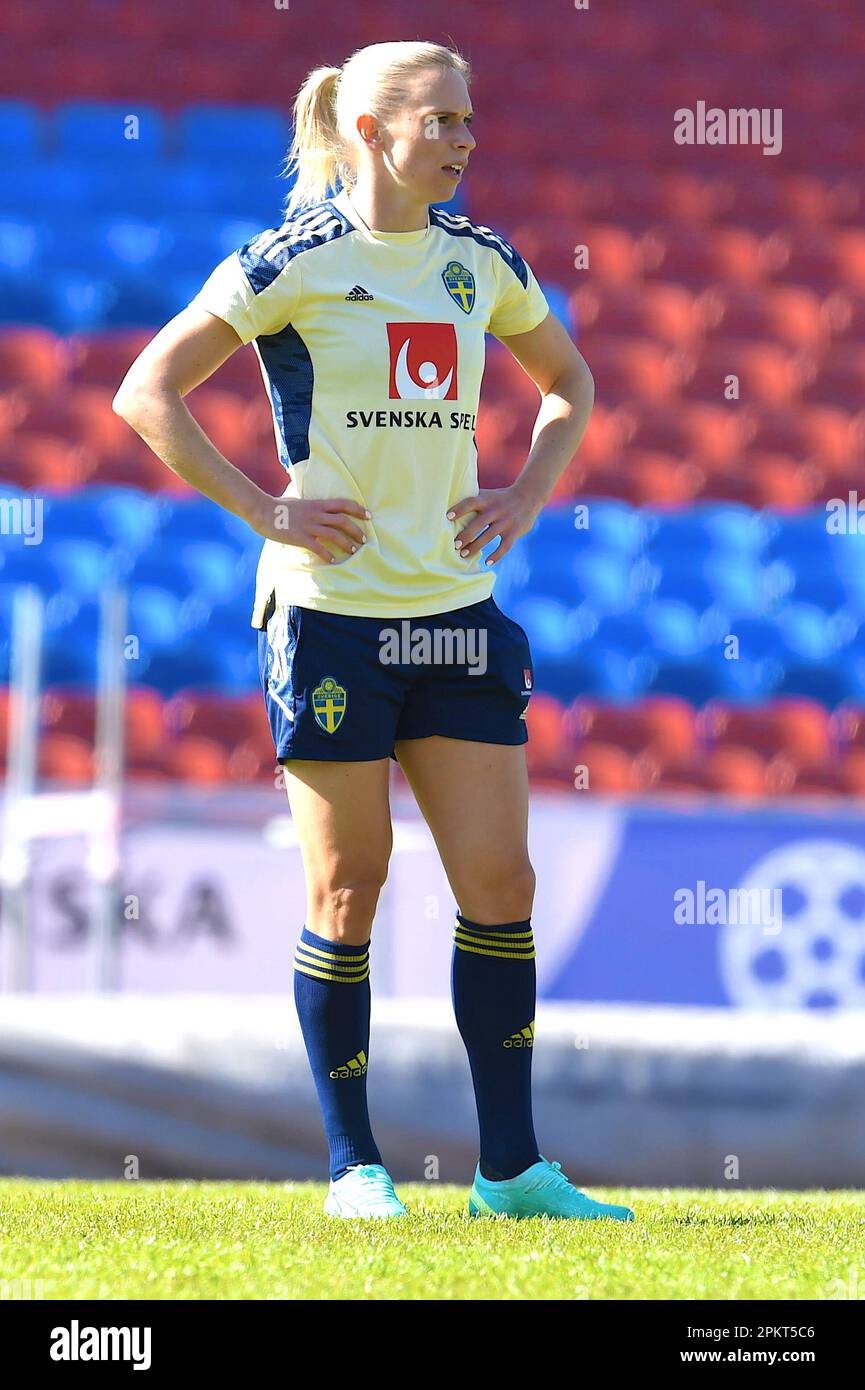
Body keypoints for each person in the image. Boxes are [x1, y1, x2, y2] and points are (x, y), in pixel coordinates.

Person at [113, 39, 634, 1224]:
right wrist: (269, 509)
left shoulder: (477, 260)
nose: (464, 138)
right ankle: (354, 1166)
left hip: (454, 612)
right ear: (371, 129)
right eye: (441, 118)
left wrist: (520, 495)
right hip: (332, 618)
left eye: (468, 119)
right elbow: (148, 390)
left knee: (501, 882)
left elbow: (568, 382)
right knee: (349, 885)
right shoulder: (290, 262)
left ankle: (511, 1173)